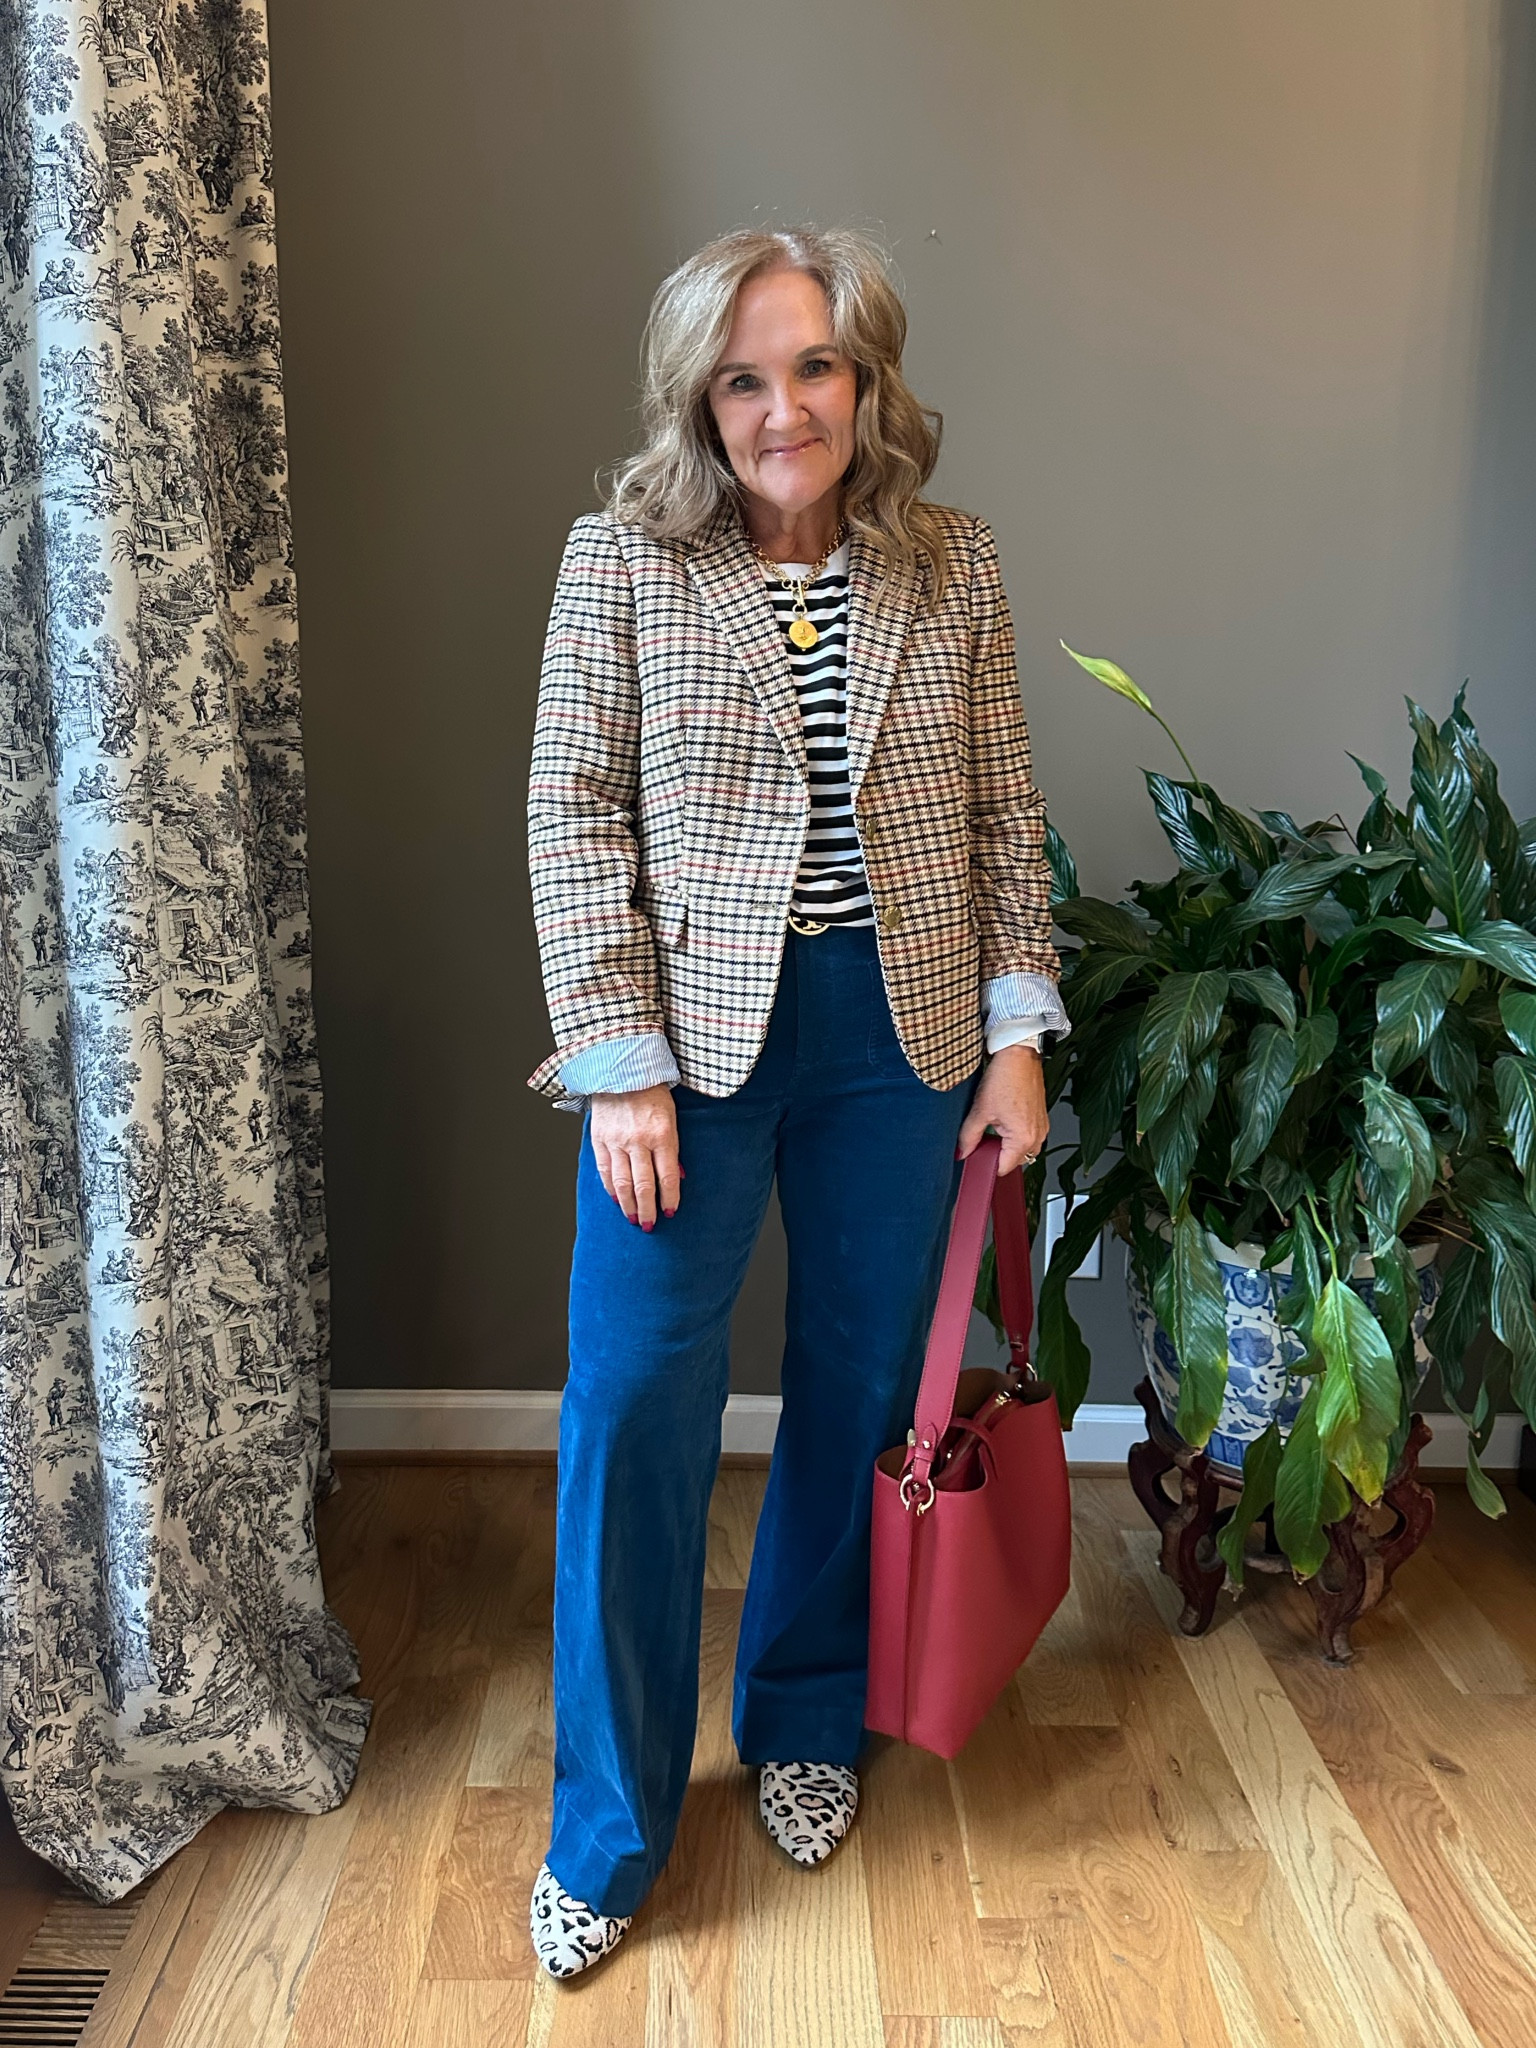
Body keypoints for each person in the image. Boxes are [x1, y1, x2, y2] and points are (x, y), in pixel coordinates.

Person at [525, 225, 1067, 1981]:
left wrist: (1016, 1034)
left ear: (867, 379)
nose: (783, 409)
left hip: (897, 1043)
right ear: (704, 394)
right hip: (686, 1051)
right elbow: (574, 817)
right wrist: (619, 1063)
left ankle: (809, 1719)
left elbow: (1002, 814)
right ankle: (607, 1826)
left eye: (814, 368)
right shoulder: (621, 563)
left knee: (853, 1391)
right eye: (745, 378)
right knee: (634, 1411)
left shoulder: (952, 567)